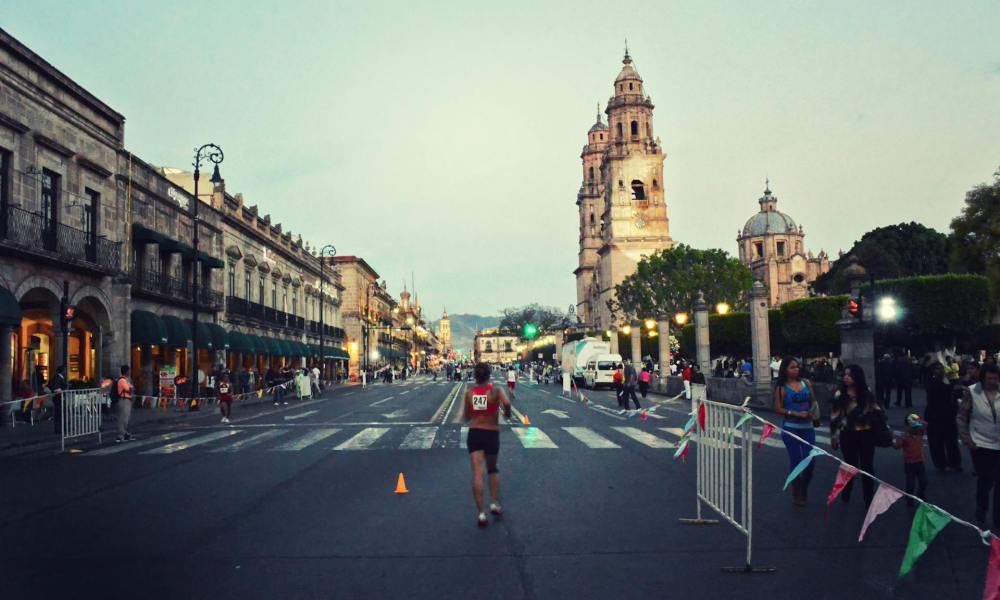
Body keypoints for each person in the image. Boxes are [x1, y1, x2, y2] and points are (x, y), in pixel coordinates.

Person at [463, 363, 512, 527]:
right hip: (491, 433)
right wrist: (507, 414)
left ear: (475, 376)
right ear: (489, 375)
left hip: (475, 433)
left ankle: (481, 514)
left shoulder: (469, 394)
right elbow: (506, 404)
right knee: (492, 469)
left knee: (477, 472)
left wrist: (477, 413)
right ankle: (494, 503)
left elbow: (466, 416)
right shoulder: (496, 391)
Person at [830, 364, 883, 507]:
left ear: (857, 377)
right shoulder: (840, 394)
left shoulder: (866, 392)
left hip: (866, 434)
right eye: (845, 375)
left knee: (867, 467)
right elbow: (835, 416)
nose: (846, 378)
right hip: (848, 434)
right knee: (850, 466)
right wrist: (833, 436)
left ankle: (868, 498)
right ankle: (846, 494)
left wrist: (885, 427)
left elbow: (876, 410)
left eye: (850, 375)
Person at [957, 363, 1000, 525]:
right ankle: (982, 506)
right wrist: (967, 439)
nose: (993, 381)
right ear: (983, 378)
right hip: (980, 443)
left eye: (996, 378)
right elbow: (961, 417)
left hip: (999, 443)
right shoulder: (973, 392)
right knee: (986, 479)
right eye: (990, 378)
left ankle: (998, 518)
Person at [774, 357, 818, 507]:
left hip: (808, 428)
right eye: (792, 367)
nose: (796, 369)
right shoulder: (781, 388)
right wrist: (795, 414)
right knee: (796, 461)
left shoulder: (806, 383)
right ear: (785, 370)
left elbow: (813, 401)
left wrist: (811, 411)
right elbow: (778, 409)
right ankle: (797, 491)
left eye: (797, 367)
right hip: (791, 429)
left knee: (810, 461)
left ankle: (804, 487)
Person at [924, 363, 962, 472]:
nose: (939, 370)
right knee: (938, 441)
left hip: (947, 414)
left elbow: (955, 393)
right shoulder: (932, 382)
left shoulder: (948, 380)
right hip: (936, 414)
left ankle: (953, 463)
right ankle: (942, 464)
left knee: (950, 440)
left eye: (940, 368)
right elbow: (939, 392)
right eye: (936, 368)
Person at [893, 414, 928, 506]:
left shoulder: (920, 432)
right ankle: (909, 498)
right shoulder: (904, 437)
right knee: (910, 483)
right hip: (909, 463)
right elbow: (896, 446)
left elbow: (925, 424)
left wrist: (916, 420)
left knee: (924, 481)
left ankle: (920, 493)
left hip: (920, 461)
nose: (916, 428)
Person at [115, 366, 135, 443]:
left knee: (127, 419)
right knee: (122, 419)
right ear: (126, 371)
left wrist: (131, 389)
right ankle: (120, 436)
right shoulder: (122, 380)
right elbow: (129, 390)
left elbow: (132, 389)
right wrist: (131, 389)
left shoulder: (126, 380)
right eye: (128, 371)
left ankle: (126, 434)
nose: (129, 372)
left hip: (127, 400)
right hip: (123, 400)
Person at [49, 365, 66, 435]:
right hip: (58, 398)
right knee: (59, 414)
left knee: (59, 414)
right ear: (62, 371)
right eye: (64, 370)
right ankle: (59, 429)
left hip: (58, 398)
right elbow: (56, 388)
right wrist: (62, 391)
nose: (65, 372)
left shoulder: (58, 377)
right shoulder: (58, 378)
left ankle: (59, 428)